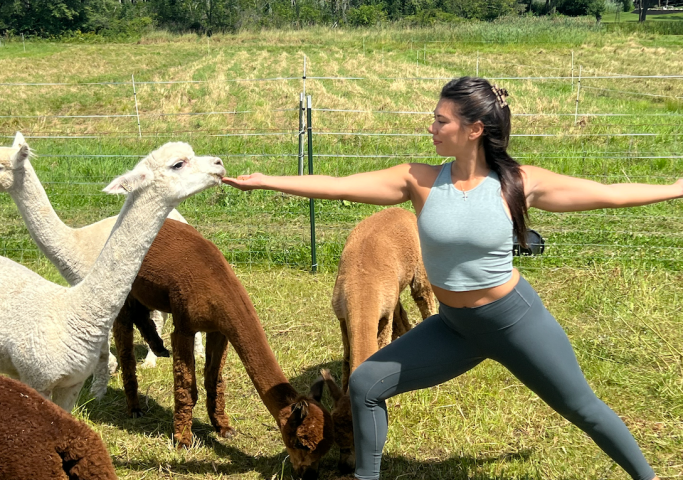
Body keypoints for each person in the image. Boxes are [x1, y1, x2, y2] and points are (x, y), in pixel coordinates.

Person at [223, 76, 674, 480]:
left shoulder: (517, 181)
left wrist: (677, 186)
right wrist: (267, 181)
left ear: (474, 129)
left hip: (514, 323)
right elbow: (340, 184)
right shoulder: (419, 181)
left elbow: (611, 196)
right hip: (453, 328)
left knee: (582, 408)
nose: (431, 127)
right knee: (364, 383)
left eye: (440, 120)